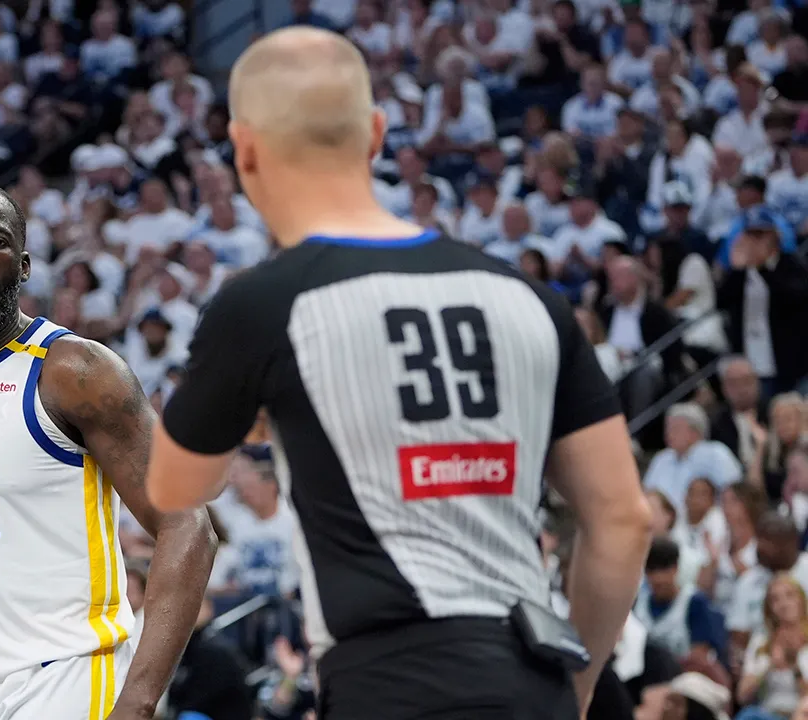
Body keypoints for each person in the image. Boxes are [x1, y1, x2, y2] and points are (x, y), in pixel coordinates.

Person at [144, 27, 653, 719]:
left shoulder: (261, 305)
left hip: (386, 680)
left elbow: (177, 487)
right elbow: (623, 520)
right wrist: (578, 687)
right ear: (378, 133)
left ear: (244, 147)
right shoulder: (528, 297)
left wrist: (257, 412)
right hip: (531, 676)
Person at [0, 181, 216, 719]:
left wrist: (137, 702)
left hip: (71, 677)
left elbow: (188, 524)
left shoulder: (76, 371)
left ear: (24, 266)